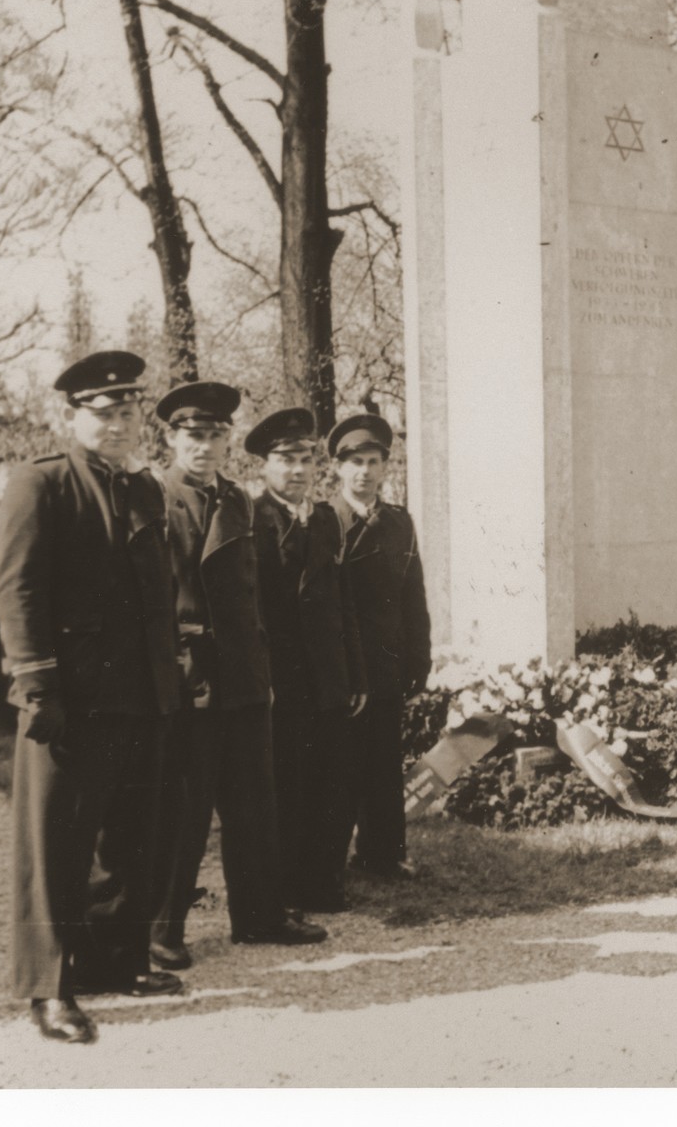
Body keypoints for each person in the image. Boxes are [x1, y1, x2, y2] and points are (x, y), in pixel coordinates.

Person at [0, 350, 183, 1044]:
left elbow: (154, 596)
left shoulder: (143, 488)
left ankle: (115, 961)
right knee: (57, 848)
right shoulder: (39, 484)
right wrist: (36, 684)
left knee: (131, 839)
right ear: (72, 417)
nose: (119, 424)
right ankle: (49, 989)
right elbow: (17, 592)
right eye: (104, 414)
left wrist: (170, 678)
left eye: (129, 412)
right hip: (71, 699)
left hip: (140, 696)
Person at [150, 382, 327, 970]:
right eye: (192, 436)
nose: (204, 446)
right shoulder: (152, 497)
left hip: (244, 673)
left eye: (215, 435)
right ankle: (164, 928)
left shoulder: (237, 501)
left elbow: (251, 597)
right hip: (188, 674)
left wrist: (262, 668)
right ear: (172, 438)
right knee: (185, 808)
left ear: (228, 439)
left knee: (255, 800)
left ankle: (260, 915)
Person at [246, 408, 369, 913]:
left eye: (304, 460)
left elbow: (344, 604)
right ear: (264, 466)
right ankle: (288, 887)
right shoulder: (251, 518)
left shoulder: (324, 519)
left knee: (333, 784)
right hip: (282, 682)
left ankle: (324, 883)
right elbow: (249, 609)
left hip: (328, 679)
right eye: (284, 460)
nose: (297, 471)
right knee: (288, 787)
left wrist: (355, 672)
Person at [327, 414, 433, 880]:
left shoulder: (398, 523)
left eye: (373, 462)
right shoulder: (323, 521)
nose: (364, 472)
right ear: (337, 468)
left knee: (384, 764)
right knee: (340, 767)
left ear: (385, 468)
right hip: (343, 666)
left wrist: (418, 658)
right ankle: (329, 859)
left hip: (386, 664)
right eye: (354, 463)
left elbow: (414, 595)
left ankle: (383, 854)